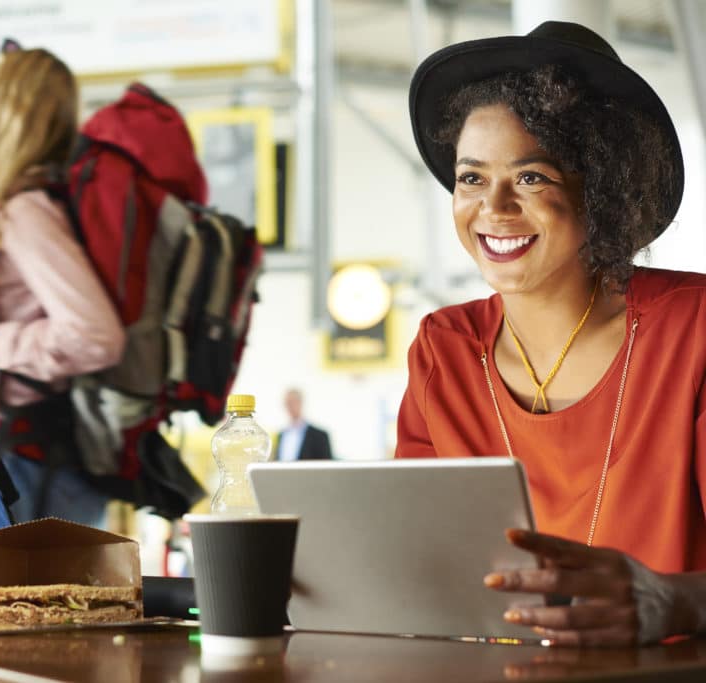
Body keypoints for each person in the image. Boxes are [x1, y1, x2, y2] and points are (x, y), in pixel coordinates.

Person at [397, 20, 706, 647]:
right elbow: (415, 565)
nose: (494, 208)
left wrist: (669, 602)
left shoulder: (692, 331)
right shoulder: (443, 351)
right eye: (471, 178)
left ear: (604, 187)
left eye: (532, 177)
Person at [0, 42, 125, 527]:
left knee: (41, 604)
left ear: (2, 112)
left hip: (33, 465)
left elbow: (95, 337)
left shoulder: (26, 212)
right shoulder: (32, 202)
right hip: (30, 461)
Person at [276, 388, 333, 461]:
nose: (290, 407)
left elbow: (326, 465)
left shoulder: (319, 436)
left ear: (300, 403)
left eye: (293, 402)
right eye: (287, 403)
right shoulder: (281, 435)